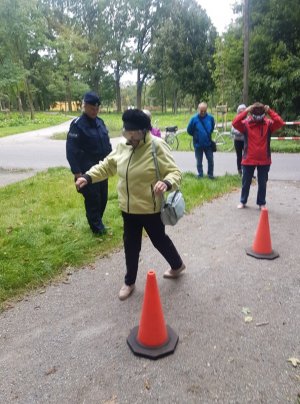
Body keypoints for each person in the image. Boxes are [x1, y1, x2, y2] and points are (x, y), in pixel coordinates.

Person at [75, 109, 186, 301]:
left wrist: (166, 183)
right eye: (127, 133)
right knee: (131, 245)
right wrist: (88, 176)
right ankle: (129, 282)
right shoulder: (122, 145)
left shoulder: (156, 146)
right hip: (127, 208)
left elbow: (175, 172)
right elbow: (107, 165)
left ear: (144, 131)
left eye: (134, 134)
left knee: (159, 240)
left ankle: (177, 266)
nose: (131, 138)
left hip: (149, 208)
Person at [66, 91, 112, 235]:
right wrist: (77, 173)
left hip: (102, 169)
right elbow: (71, 150)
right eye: (92, 108)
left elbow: (107, 144)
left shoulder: (100, 122)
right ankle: (97, 229)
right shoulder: (77, 125)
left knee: (103, 198)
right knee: (93, 199)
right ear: (84, 106)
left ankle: (99, 223)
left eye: (97, 108)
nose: (95, 111)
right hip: (86, 170)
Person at [232, 102, 284, 209]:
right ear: (252, 113)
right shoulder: (246, 124)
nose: (258, 118)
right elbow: (235, 123)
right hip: (248, 159)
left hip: (264, 159)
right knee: (246, 182)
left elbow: (280, 122)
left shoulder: (268, 124)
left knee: (262, 183)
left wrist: (269, 110)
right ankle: (243, 201)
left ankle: (261, 203)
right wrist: (246, 111)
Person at [187, 102, 215, 179]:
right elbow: (189, 130)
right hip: (198, 144)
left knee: (210, 160)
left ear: (206, 110)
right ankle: (200, 175)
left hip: (208, 144)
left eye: (204, 111)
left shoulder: (210, 118)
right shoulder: (193, 119)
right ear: (198, 109)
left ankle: (210, 175)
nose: (202, 112)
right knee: (199, 161)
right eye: (201, 111)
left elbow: (212, 127)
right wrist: (196, 136)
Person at [231, 104, 247, 176]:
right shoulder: (236, 119)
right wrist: (241, 131)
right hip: (237, 140)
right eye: (240, 112)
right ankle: (239, 171)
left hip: (246, 141)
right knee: (239, 156)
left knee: (247, 156)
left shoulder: (248, 119)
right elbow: (232, 131)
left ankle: (248, 172)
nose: (242, 113)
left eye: (243, 111)